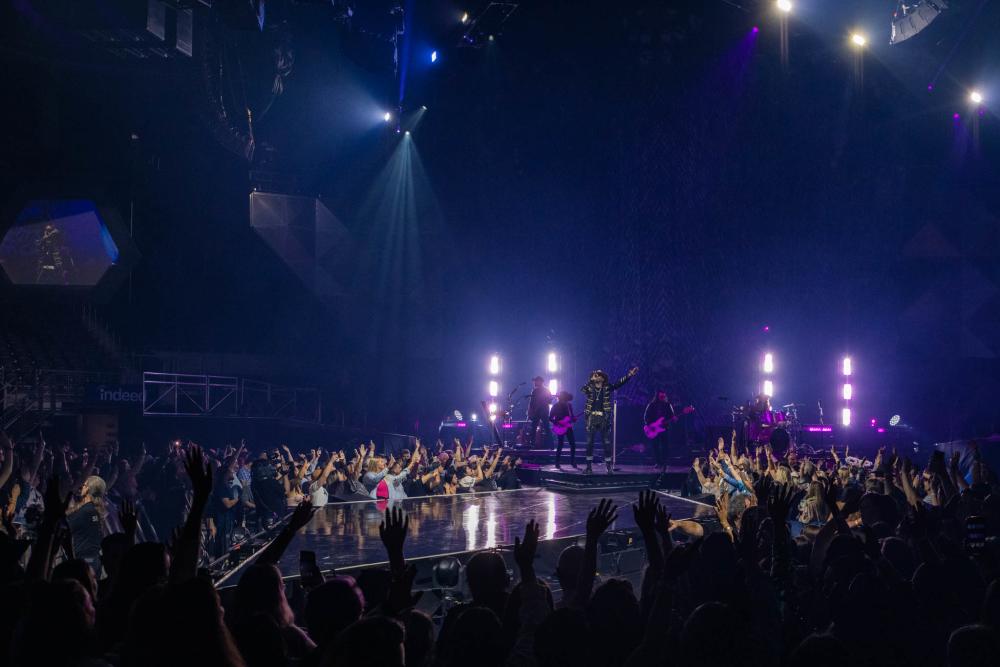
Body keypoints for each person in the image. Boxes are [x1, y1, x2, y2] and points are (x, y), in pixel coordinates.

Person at [580, 367, 637, 474]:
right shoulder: (589, 388)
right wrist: (591, 379)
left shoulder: (607, 387)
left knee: (606, 443)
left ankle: (609, 467)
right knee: (589, 443)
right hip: (591, 417)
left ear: (603, 378)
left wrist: (629, 375)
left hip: (603, 418)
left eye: (599, 375)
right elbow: (582, 389)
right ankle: (588, 467)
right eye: (595, 375)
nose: (597, 376)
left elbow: (618, 384)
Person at [643, 391, 676, 471]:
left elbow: (672, 416)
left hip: (664, 428)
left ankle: (664, 463)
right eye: (661, 396)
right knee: (655, 446)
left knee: (665, 446)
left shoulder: (668, 405)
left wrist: (673, 418)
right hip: (654, 428)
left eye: (663, 396)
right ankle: (658, 462)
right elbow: (646, 416)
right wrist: (650, 425)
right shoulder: (651, 405)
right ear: (657, 396)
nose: (662, 397)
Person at [549, 391, 578, 469]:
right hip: (560, 427)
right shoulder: (555, 406)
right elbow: (550, 418)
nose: (564, 400)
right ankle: (557, 462)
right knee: (560, 444)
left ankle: (572, 461)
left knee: (573, 444)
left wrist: (574, 419)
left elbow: (571, 417)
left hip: (568, 427)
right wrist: (558, 423)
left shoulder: (569, 406)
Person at [525, 376, 553, 448]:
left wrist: (542, 402)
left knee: (545, 428)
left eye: (536, 381)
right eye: (535, 381)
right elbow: (531, 403)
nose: (534, 383)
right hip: (537, 412)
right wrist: (530, 411)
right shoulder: (535, 391)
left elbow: (550, 401)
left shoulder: (546, 390)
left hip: (543, 411)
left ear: (540, 382)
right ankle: (533, 444)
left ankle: (550, 444)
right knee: (534, 428)